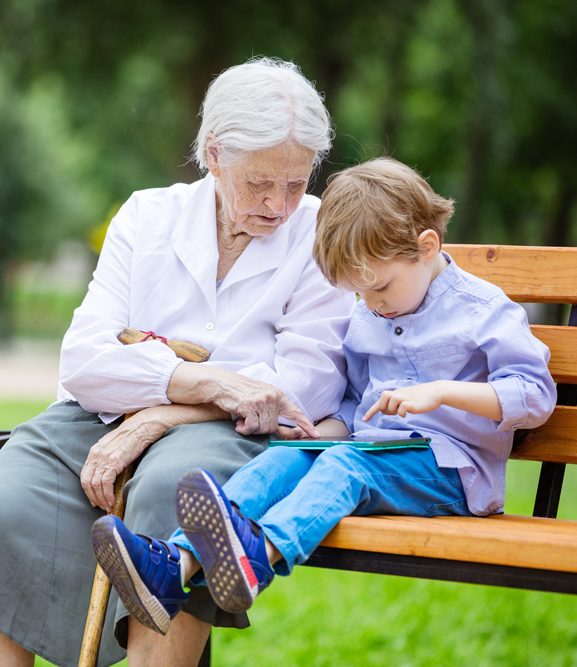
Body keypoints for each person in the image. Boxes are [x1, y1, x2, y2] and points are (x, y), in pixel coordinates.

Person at [90, 156, 557, 629]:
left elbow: (534, 394)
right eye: (361, 295)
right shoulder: (371, 316)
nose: (373, 305)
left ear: (427, 246)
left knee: (343, 464)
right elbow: (354, 404)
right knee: (288, 457)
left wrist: (443, 393)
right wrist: (318, 432)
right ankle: (175, 565)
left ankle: (260, 556)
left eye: (379, 288)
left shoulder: (482, 310)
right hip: (376, 454)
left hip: (452, 469)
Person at [0, 58, 354, 667]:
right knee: (8, 495)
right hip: (96, 418)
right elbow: (85, 359)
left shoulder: (321, 232)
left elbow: (301, 389)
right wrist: (213, 380)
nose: (278, 204)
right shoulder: (147, 215)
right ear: (214, 155)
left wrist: (160, 416)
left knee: (179, 490)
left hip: (225, 435)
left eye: (296, 184)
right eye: (260, 183)